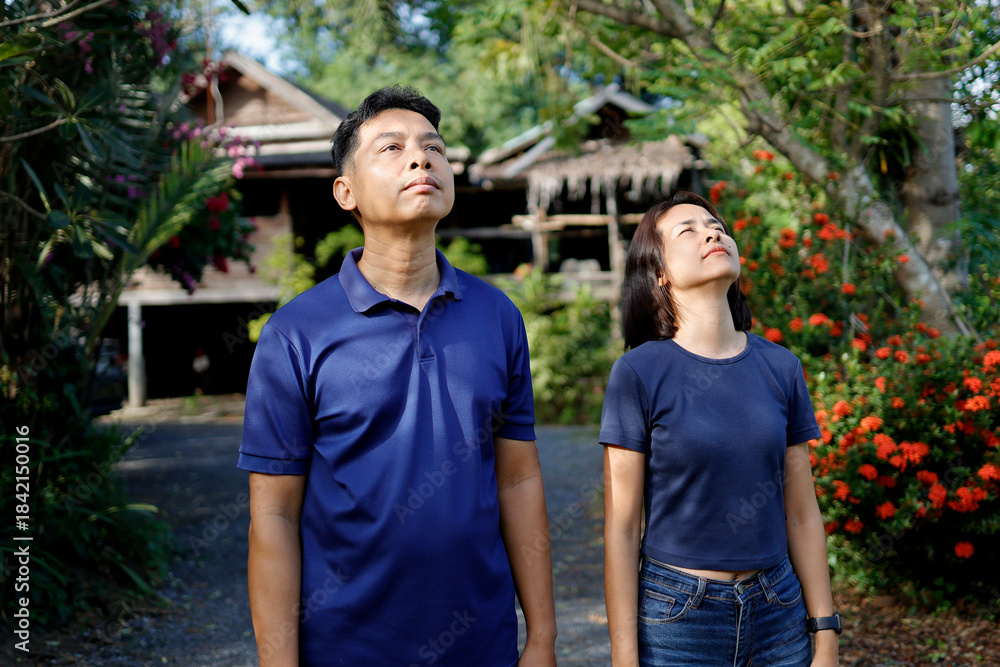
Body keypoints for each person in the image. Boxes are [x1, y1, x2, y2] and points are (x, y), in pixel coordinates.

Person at [238, 86, 557, 667]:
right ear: (346, 191)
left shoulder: (497, 316)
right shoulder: (296, 333)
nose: (421, 158)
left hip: (481, 645)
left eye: (434, 147)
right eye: (392, 147)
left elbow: (517, 481)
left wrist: (541, 637)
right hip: (343, 648)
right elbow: (274, 516)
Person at [600, 191, 840, 666]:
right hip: (678, 620)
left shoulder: (781, 367)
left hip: (779, 612)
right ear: (660, 272)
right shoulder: (638, 373)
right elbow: (622, 529)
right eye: (688, 230)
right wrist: (624, 659)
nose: (713, 233)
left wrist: (827, 634)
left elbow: (802, 513)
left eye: (716, 226)